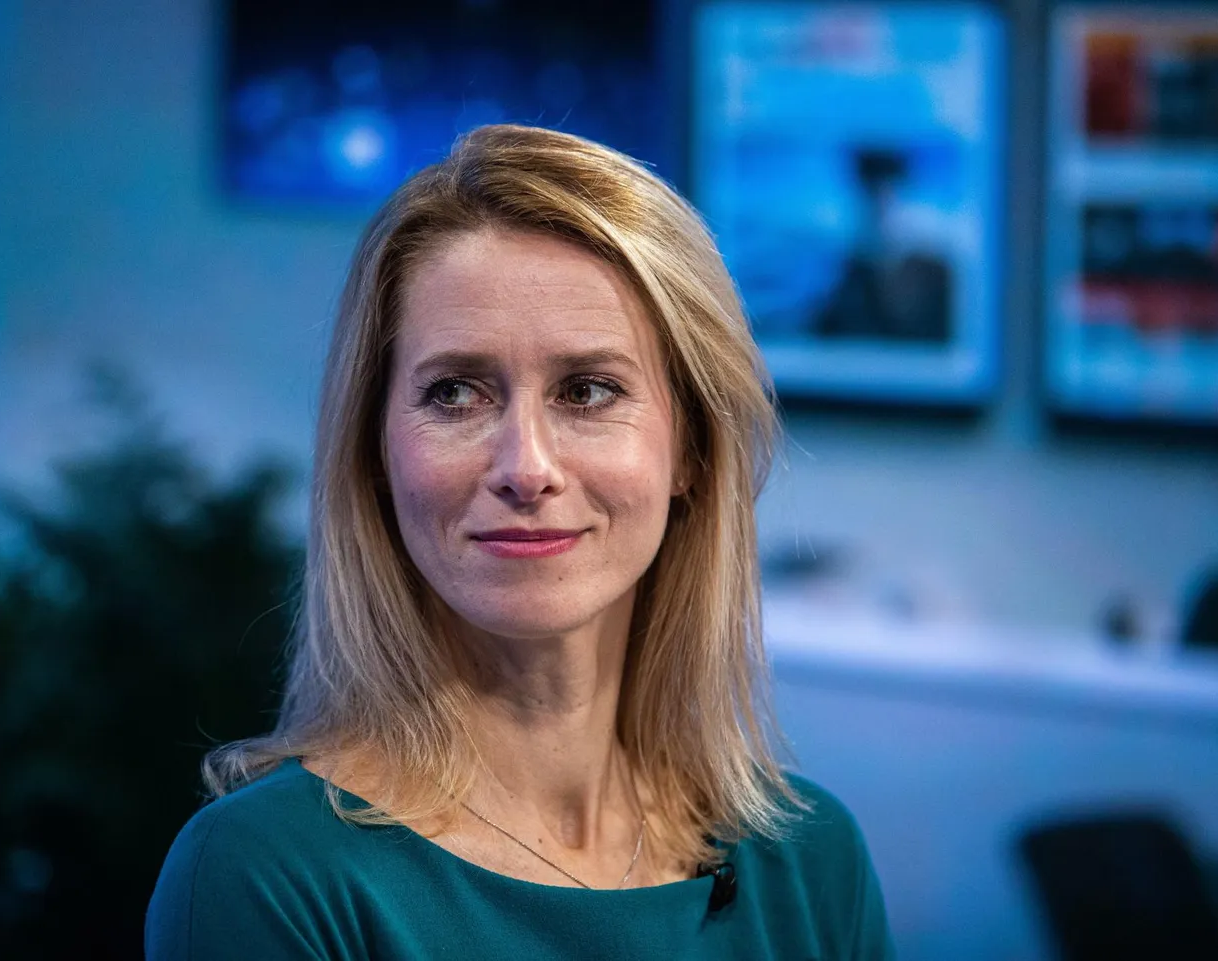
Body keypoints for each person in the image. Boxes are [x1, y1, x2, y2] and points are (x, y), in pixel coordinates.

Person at [146, 124, 894, 960]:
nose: (526, 468)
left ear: (690, 447)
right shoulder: (266, 876)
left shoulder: (813, 864)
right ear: (375, 450)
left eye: (588, 390)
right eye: (455, 393)